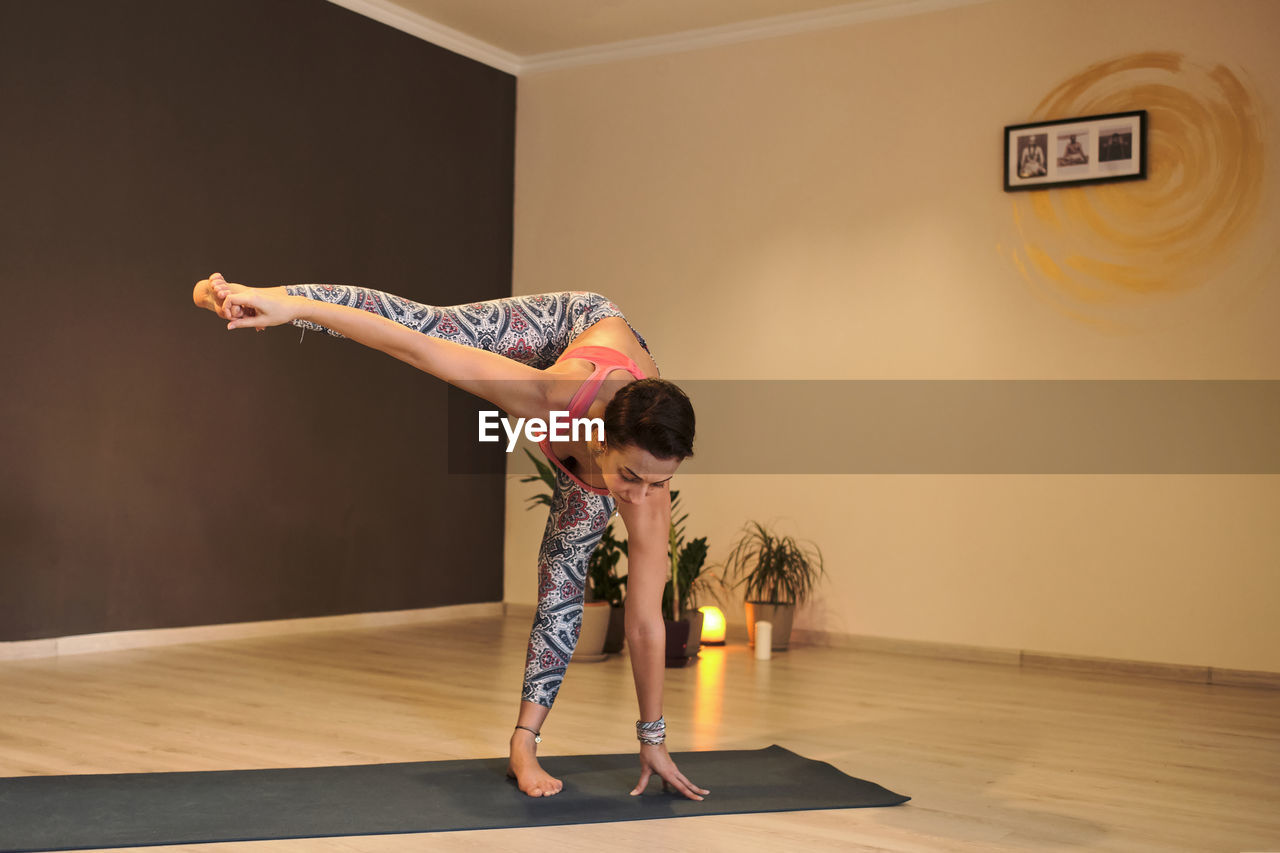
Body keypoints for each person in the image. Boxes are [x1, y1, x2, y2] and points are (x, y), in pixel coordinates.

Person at [192, 274, 708, 802]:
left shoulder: (646, 489)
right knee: (432, 323)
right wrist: (295, 310)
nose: (640, 499)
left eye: (660, 483)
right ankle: (262, 297)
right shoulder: (547, 397)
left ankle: (523, 743)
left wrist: (653, 739)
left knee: (562, 576)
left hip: (619, 402)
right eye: (631, 479)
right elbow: (416, 347)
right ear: (600, 443)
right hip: (573, 330)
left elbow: (645, 622)